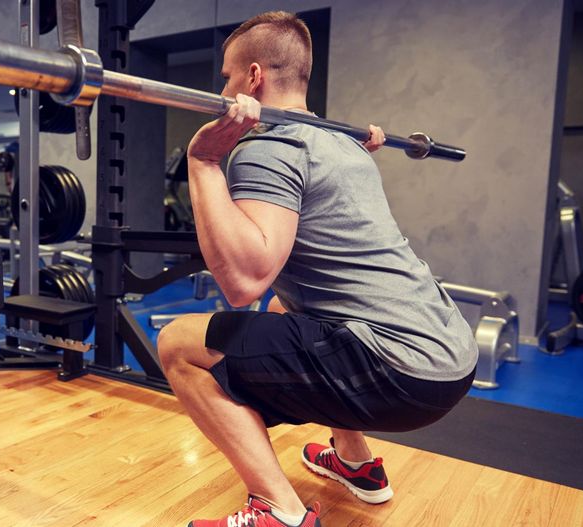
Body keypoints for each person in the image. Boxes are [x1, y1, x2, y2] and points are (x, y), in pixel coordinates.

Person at [155, 11, 477, 527]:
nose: (223, 88)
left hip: (398, 371)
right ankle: (356, 463)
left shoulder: (270, 146)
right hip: (451, 356)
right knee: (284, 309)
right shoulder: (343, 146)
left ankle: (278, 510)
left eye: (227, 77)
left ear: (253, 77)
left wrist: (204, 162)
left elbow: (243, 283)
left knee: (178, 344)